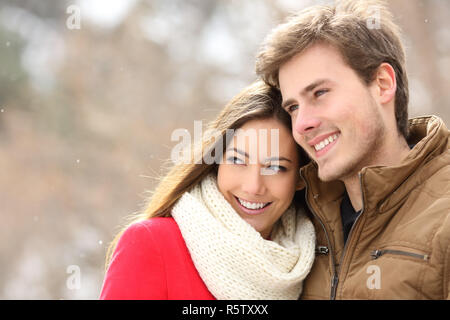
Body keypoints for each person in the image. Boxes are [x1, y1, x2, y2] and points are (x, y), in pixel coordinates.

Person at [255, 0, 450, 299]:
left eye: (320, 93)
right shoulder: (294, 220)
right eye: (293, 107)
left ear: (383, 84)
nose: (302, 124)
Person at [100, 81, 316, 300]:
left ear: (300, 177)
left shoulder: (315, 262)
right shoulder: (151, 242)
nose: (253, 186)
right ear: (216, 160)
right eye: (238, 160)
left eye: (276, 167)